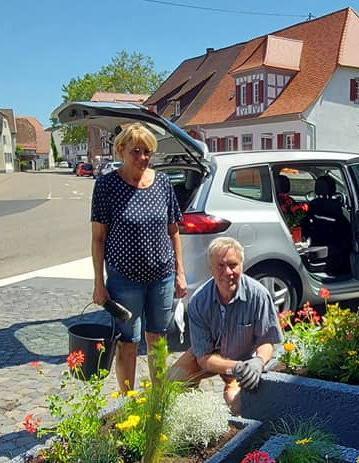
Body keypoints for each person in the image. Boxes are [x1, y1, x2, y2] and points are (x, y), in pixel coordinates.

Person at [91, 122, 187, 391]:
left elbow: (173, 231)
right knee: (128, 343)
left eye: (148, 152)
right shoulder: (107, 186)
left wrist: (180, 272)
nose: (143, 158)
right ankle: (127, 403)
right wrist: (99, 282)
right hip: (124, 278)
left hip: (162, 277)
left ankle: (158, 399)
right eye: (136, 151)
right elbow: (98, 238)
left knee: (157, 340)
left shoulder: (163, 183)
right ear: (121, 150)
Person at [171, 237, 283, 413]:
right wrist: (234, 367)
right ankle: (199, 415)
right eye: (220, 266)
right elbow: (203, 357)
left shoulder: (259, 295)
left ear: (242, 265)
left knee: (238, 402)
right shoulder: (199, 301)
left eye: (233, 265)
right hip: (213, 358)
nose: (227, 272)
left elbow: (267, 341)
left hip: (246, 361)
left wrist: (258, 361)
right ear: (211, 269)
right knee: (173, 381)